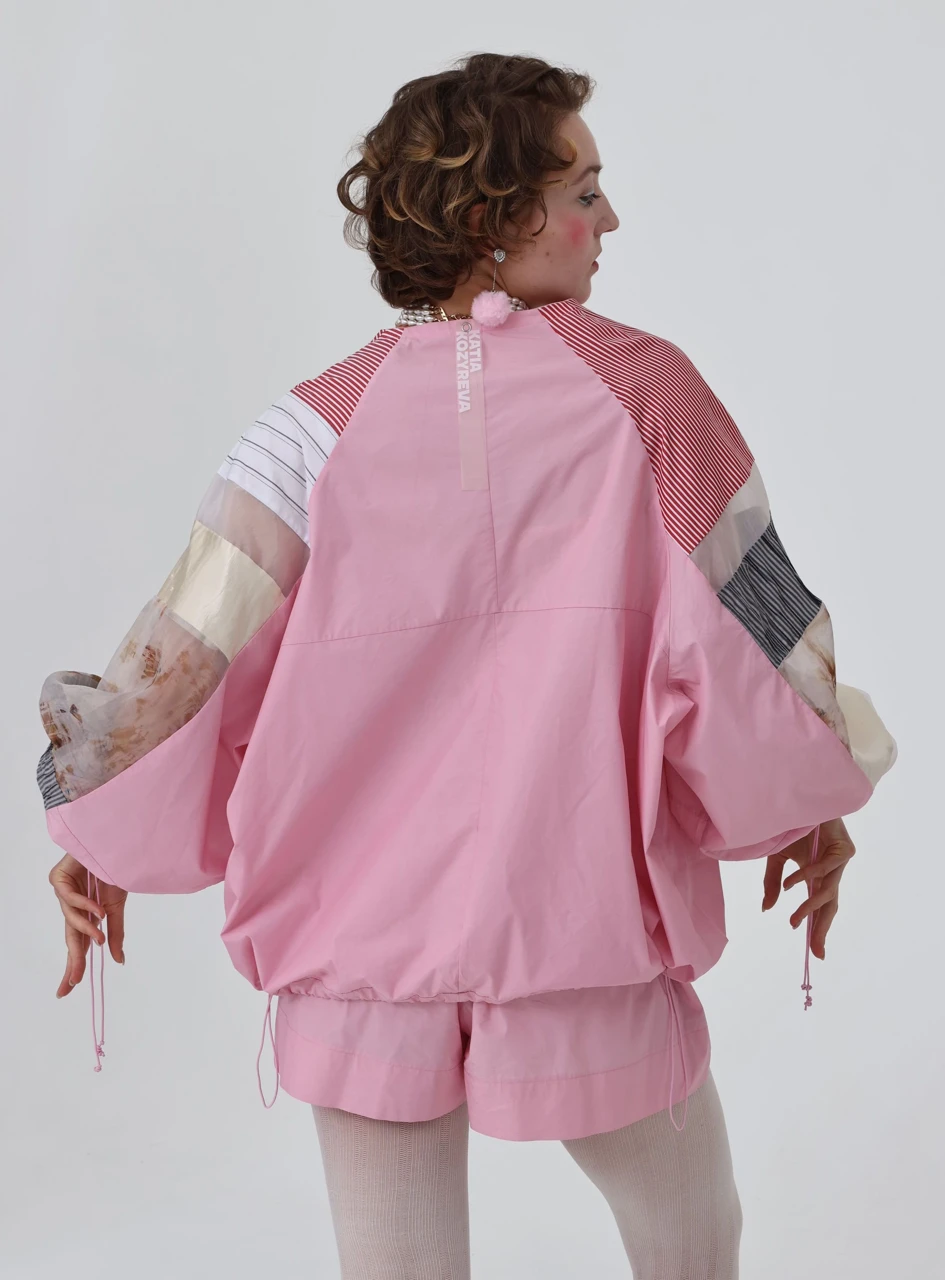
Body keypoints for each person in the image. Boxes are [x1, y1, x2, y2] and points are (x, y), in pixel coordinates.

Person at [38, 52, 897, 1279]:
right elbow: (758, 629)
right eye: (584, 192)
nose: (610, 218)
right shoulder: (650, 398)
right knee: (695, 1246)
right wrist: (811, 792)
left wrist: (100, 826)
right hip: (582, 937)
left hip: (357, 949)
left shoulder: (308, 429)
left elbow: (177, 663)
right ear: (495, 219)